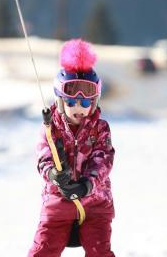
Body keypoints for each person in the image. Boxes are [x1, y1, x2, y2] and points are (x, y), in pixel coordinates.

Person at [28, 39, 115, 257]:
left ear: (94, 102)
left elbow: (103, 158)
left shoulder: (100, 129)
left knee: (99, 252)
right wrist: (54, 174)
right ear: (60, 100)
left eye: (86, 103)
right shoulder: (51, 129)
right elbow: (43, 156)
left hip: (95, 204)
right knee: (42, 250)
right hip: (58, 204)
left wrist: (88, 184)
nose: (79, 108)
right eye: (72, 102)